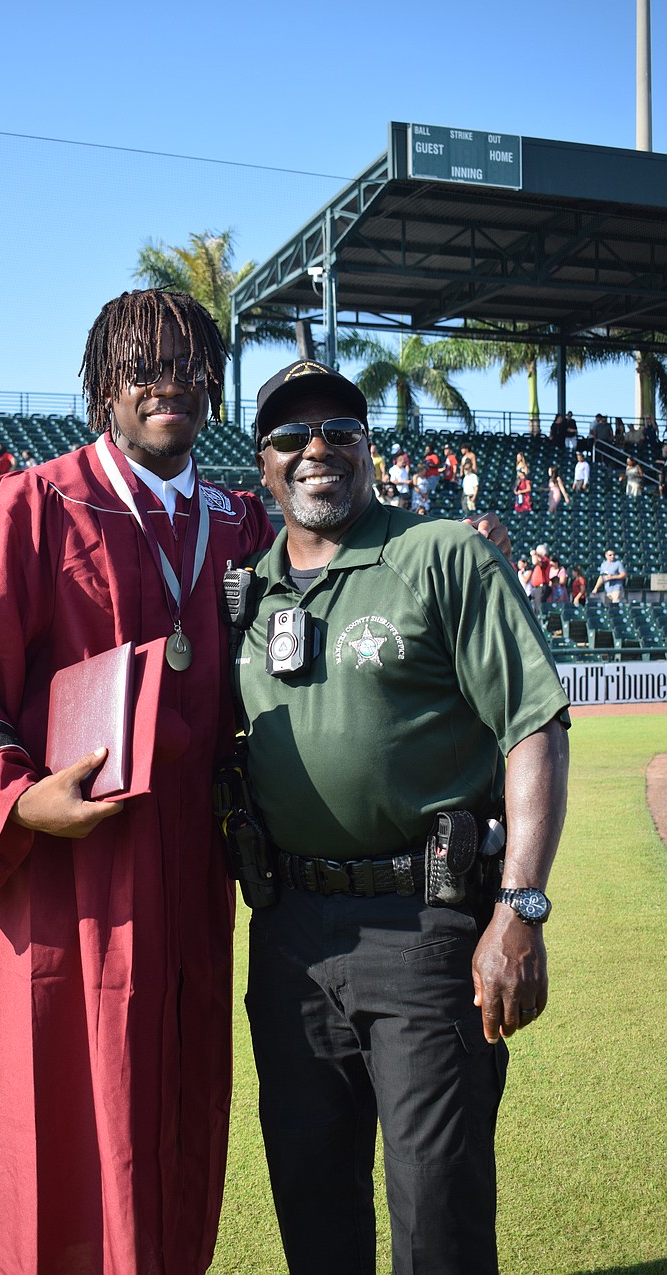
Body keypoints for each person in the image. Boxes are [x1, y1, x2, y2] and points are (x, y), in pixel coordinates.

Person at [0, 289, 275, 1275]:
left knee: (183, 1116)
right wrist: (19, 799)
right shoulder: (32, 507)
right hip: (71, 883)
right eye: (145, 366)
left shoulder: (242, 524)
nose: (171, 385)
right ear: (103, 384)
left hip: (196, 881)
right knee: (67, 1121)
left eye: (192, 368)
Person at [234, 360, 570, 1275]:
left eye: (339, 431)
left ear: (368, 448)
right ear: (263, 463)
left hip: (423, 926)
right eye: (291, 437)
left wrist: (520, 908)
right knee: (312, 1207)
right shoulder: (244, 594)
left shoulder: (440, 553)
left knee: (439, 1217)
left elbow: (534, 723)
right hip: (289, 935)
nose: (316, 449)